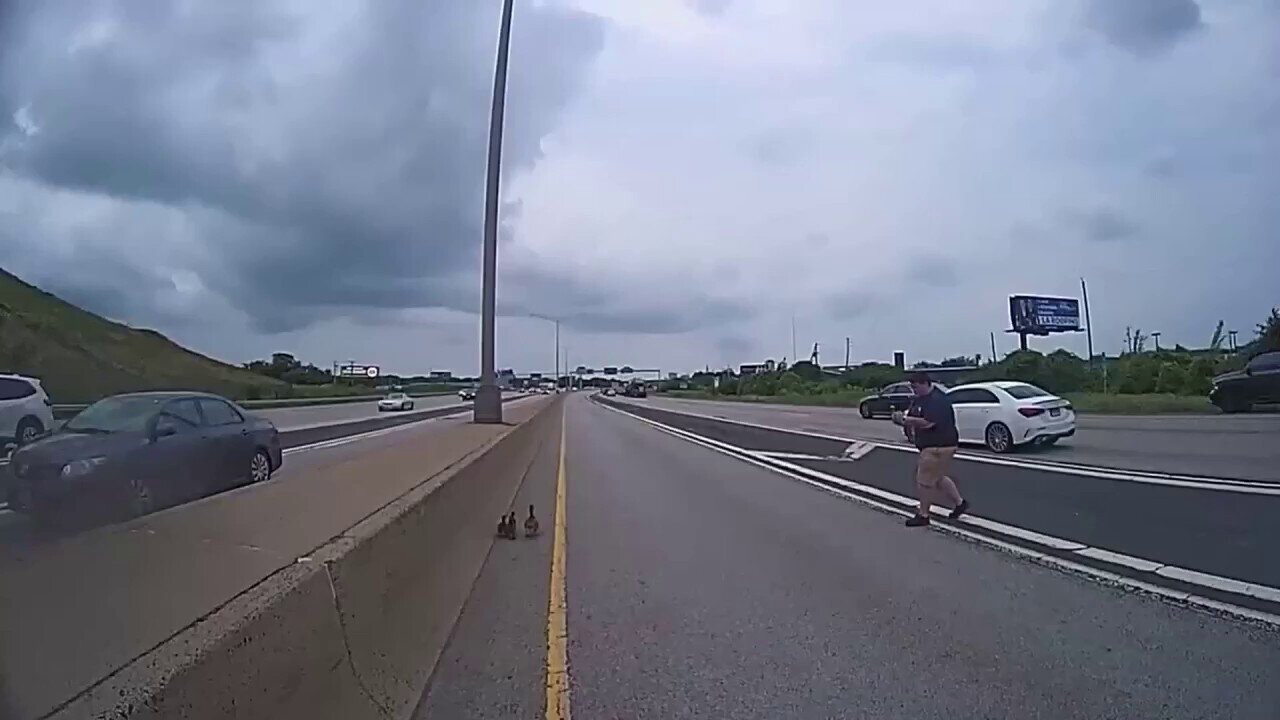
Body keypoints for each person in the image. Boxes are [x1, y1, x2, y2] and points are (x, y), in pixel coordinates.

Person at [896, 371, 968, 527]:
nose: (914, 390)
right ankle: (959, 503)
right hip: (932, 445)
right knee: (938, 478)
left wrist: (906, 420)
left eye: (916, 387)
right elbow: (915, 418)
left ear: (924, 383)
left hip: (938, 446)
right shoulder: (920, 400)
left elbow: (929, 423)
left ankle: (923, 514)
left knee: (924, 481)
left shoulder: (937, 400)